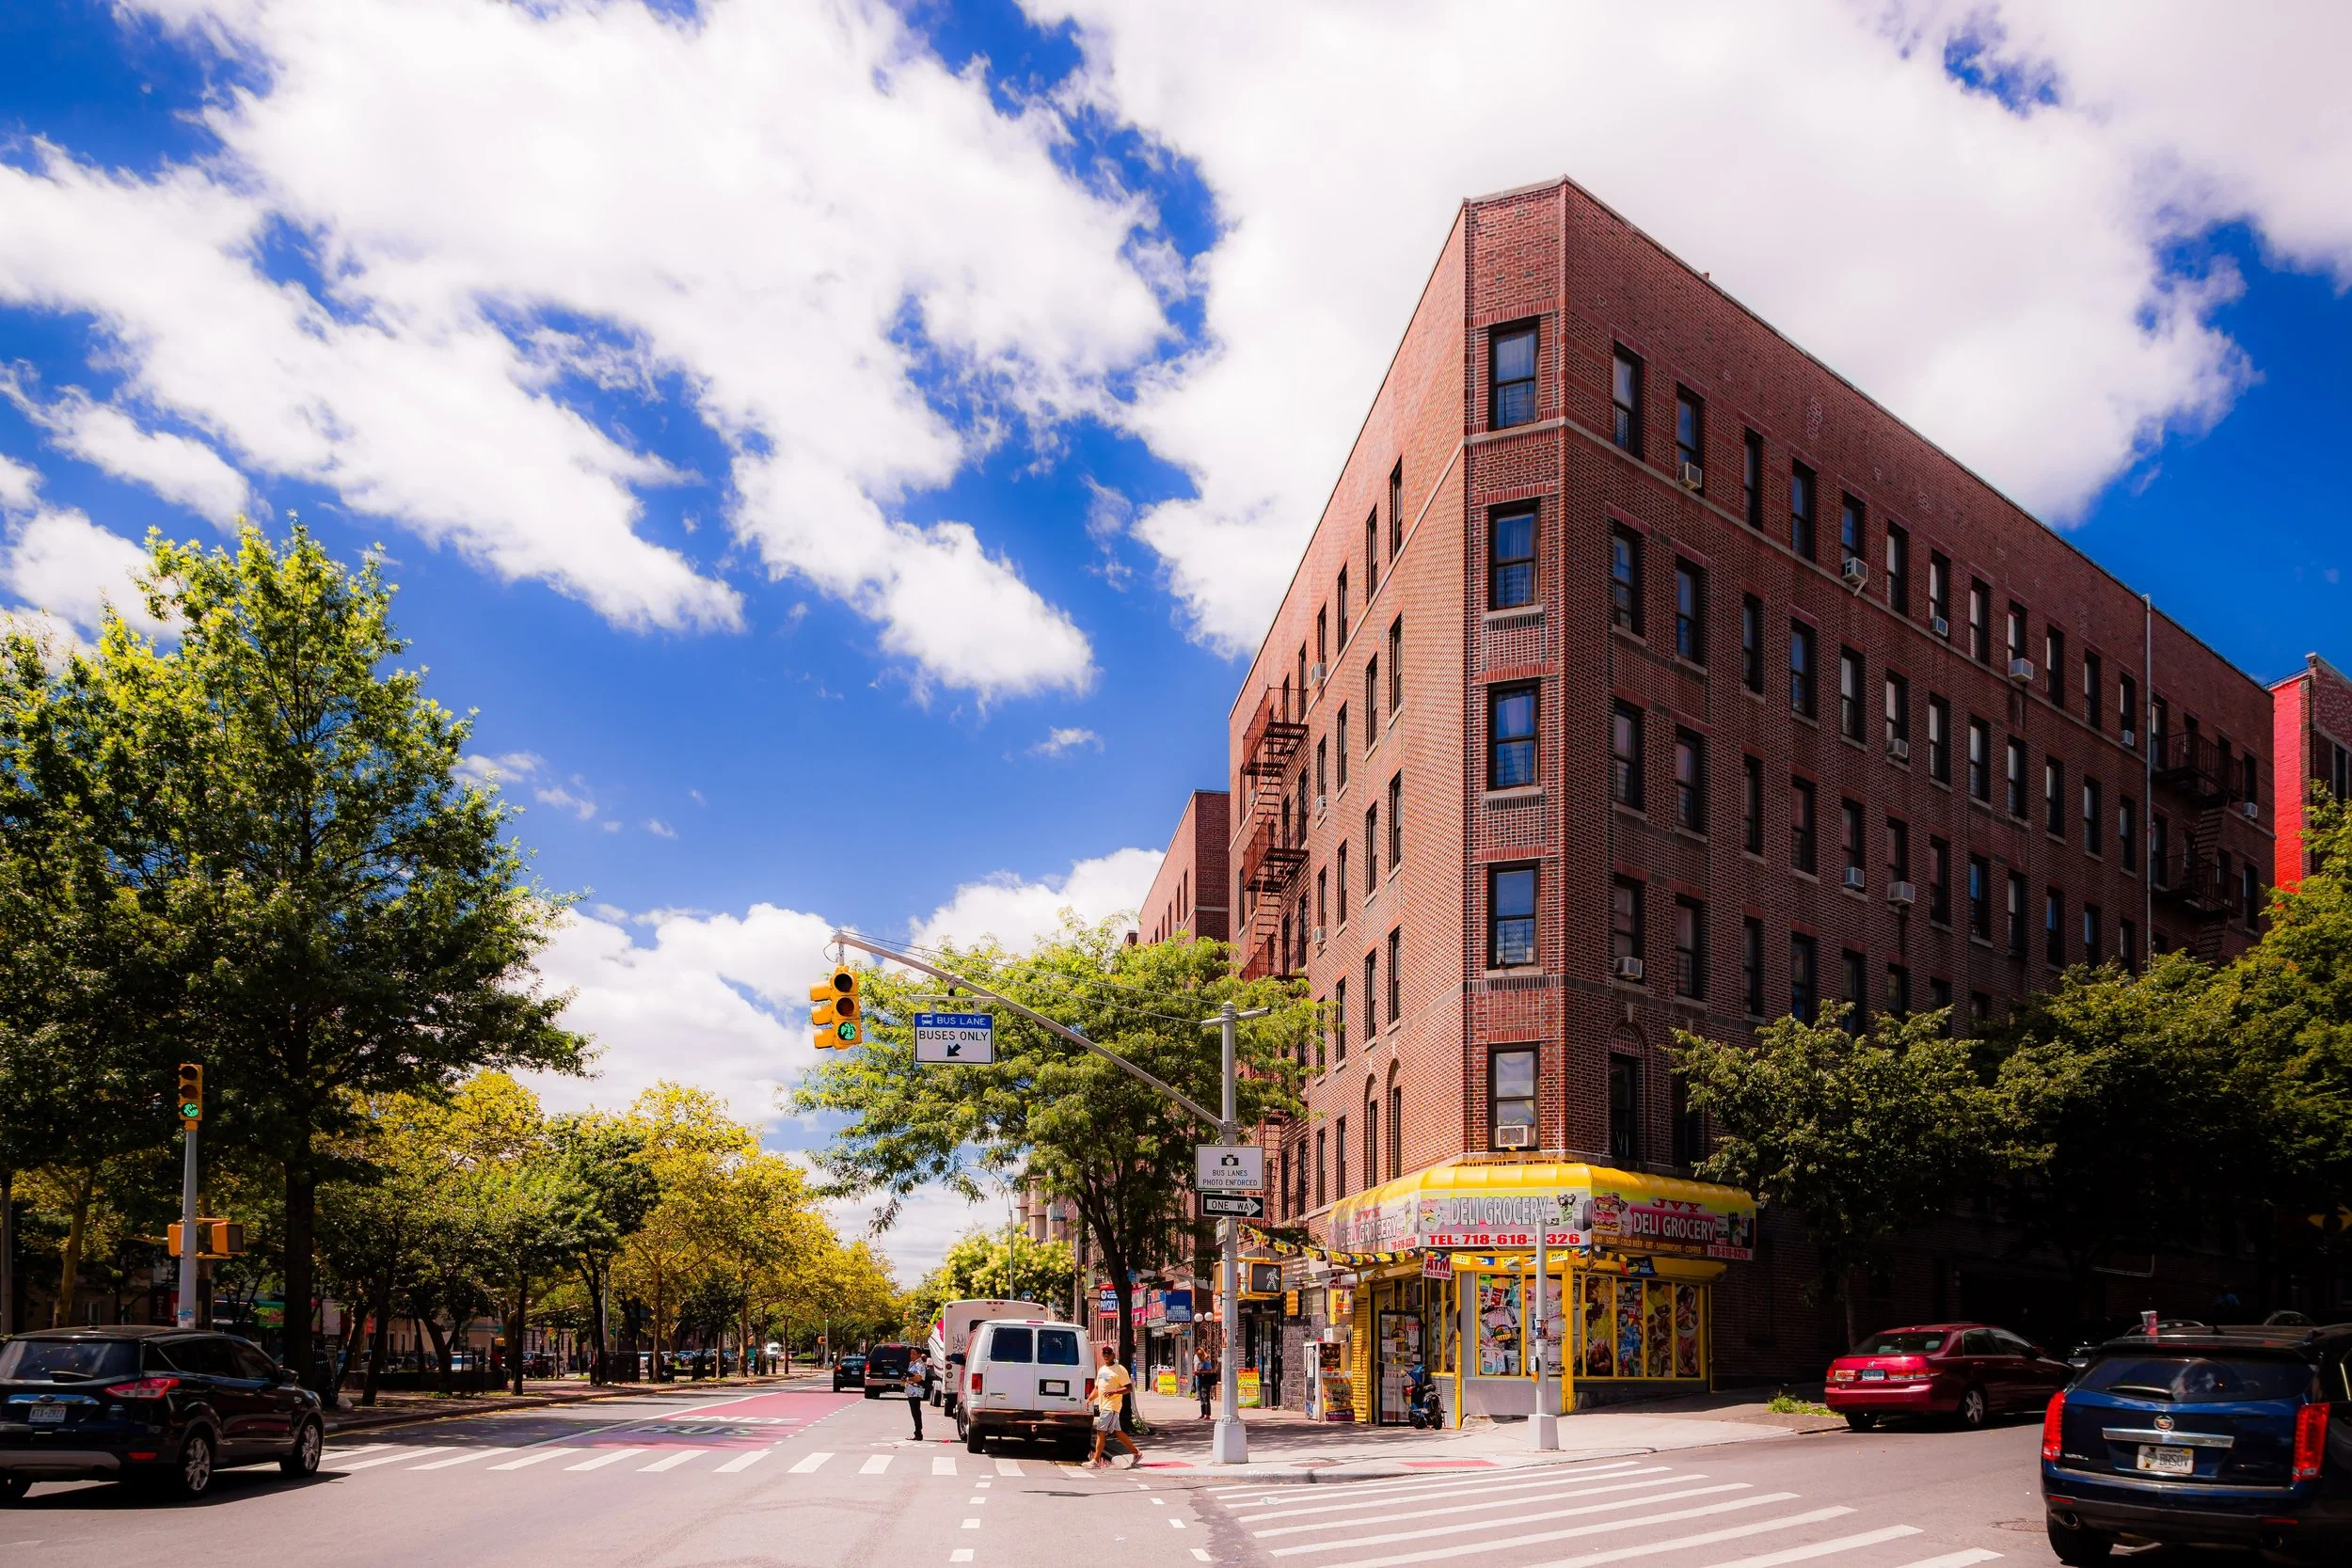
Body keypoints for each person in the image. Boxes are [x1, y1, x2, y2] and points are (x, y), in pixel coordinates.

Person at [1087, 1343, 1140, 1468]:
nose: (1106, 1355)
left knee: (1101, 1431)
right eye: (1104, 1352)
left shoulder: (1120, 1369)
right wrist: (1089, 1398)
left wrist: (1114, 1392)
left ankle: (1095, 1460)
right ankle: (1136, 1452)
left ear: (1113, 1354)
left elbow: (1129, 1388)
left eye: (1108, 1352)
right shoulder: (1102, 1369)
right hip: (1103, 1405)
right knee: (1117, 1432)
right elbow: (1097, 1388)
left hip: (1111, 1406)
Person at [905, 1349, 930, 1441]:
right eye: (911, 1354)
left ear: (919, 1355)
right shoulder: (913, 1363)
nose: (912, 1355)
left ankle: (918, 1433)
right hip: (911, 1391)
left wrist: (908, 1378)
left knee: (916, 1412)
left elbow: (919, 1378)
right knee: (915, 1412)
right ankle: (918, 1432)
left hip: (916, 1391)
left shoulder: (919, 1364)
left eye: (914, 1354)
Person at [1193, 1346, 1217, 1420]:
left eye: (1200, 1355)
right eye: (1198, 1356)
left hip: (1206, 1382)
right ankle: (1202, 1413)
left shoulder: (1207, 1363)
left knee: (1206, 1398)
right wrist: (1196, 1373)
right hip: (1200, 1381)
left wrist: (1200, 1372)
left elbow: (1210, 1371)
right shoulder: (1200, 1363)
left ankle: (1207, 1414)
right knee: (1201, 1398)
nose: (1199, 1357)